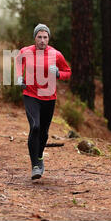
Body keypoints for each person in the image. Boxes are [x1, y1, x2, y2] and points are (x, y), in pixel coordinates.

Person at [15, 24, 72, 180]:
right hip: (31, 94)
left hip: (49, 97)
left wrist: (59, 73)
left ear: (49, 38)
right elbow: (18, 62)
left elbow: (68, 72)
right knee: (35, 126)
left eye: (45, 37)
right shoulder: (26, 51)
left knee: (44, 133)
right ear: (35, 38)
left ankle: (39, 156)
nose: (42, 40)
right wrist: (19, 77)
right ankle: (35, 166)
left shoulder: (56, 55)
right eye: (39, 37)